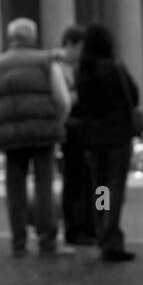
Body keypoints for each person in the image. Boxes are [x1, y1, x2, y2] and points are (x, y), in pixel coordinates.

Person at [0, 18, 71, 257]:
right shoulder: (45, 60)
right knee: (44, 186)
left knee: (14, 188)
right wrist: (57, 121)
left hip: (10, 135)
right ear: (33, 36)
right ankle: (47, 241)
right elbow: (63, 98)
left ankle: (18, 242)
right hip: (42, 131)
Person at [75, 22, 139, 262]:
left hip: (93, 137)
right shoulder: (115, 68)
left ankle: (102, 232)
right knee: (114, 188)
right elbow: (133, 95)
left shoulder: (84, 70)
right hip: (117, 136)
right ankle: (112, 237)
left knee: (100, 189)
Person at [57, 25, 94, 246]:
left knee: (90, 183)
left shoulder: (83, 67)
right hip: (74, 130)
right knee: (77, 181)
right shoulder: (59, 66)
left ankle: (91, 224)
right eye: (80, 47)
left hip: (80, 130)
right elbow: (64, 100)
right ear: (70, 44)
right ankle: (76, 226)